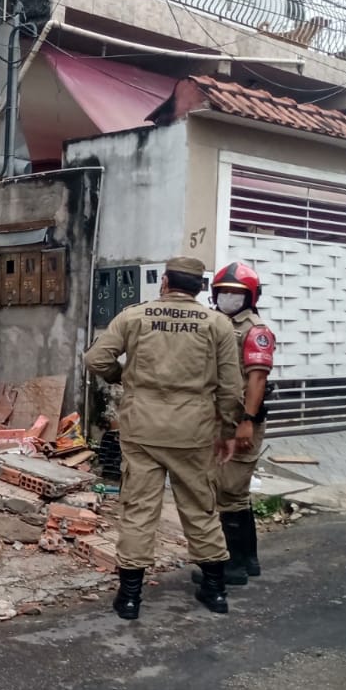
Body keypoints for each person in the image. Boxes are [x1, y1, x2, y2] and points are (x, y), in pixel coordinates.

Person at [83, 255, 243, 620]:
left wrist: (121, 377)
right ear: (200, 288)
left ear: (165, 283)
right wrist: (229, 431)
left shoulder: (134, 316)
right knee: (200, 507)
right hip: (194, 431)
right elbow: (231, 389)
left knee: (138, 510)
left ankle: (129, 598)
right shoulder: (217, 324)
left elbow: (96, 359)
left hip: (142, 429)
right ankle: (215, 591)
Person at [194, 261, 276, 587]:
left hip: (241, 422)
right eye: (223, 292)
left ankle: (232, 568)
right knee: (237, 494)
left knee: (228, 494)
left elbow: (256, 381)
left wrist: (247, 422)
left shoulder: (255, 331)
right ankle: (249, 561)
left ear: (250, 296)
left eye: (236, 293)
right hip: (224, 421)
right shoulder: (220, 324)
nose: (228, 297)